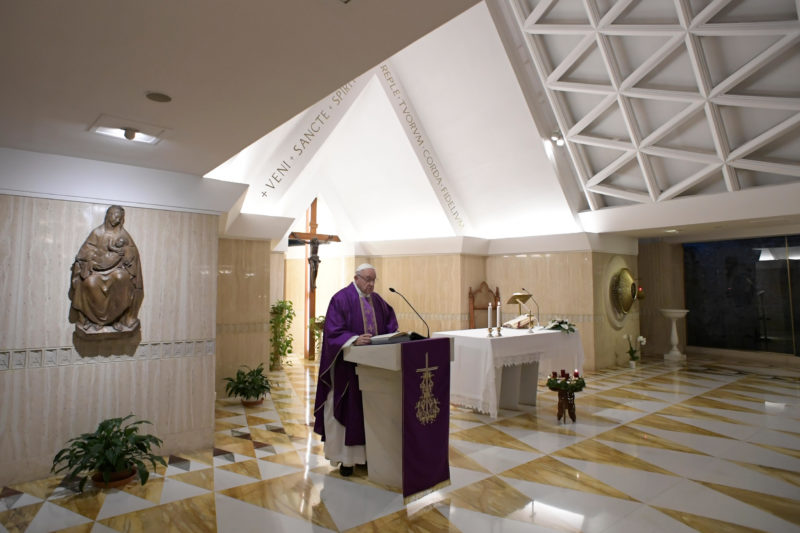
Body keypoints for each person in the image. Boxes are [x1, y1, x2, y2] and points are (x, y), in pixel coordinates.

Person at [313, 263, 398, 476]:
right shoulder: (341, 299)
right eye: (367, 279)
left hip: (373, 368)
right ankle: (346, 460)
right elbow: (332, 331)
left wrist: (391, 336)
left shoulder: (378, 301)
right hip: (347, 370)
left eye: (373, 279)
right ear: (356, 278)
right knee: (348, 411)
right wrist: (353, 339)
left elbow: (390, 322)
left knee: (368, 412)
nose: (371, 284)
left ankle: (366, 457)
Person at [69, 205, 143, 334]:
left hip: (116, 269)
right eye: (114, 215)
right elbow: (84, 252)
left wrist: (125, 253)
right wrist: (95, 257)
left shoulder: (123, 235)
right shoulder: (97, 233)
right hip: (97, 269)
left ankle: (117, 319)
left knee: (122, 278)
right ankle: (95, 320)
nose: (116, 219)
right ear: (108, 215)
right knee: (90, 283)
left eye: (119, 217)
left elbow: (132, 253)